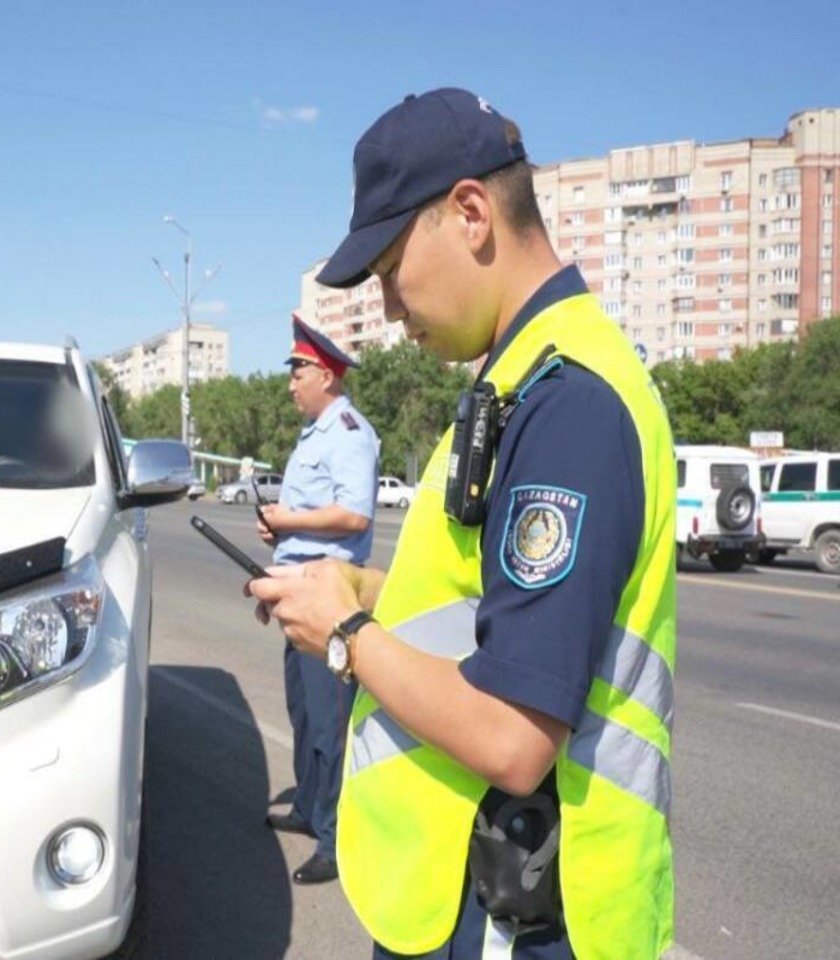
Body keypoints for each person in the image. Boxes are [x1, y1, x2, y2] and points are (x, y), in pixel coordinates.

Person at [248, 88, 677, 959]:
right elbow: (494, 601)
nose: (391, 311)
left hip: (525, 913)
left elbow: (515, 737)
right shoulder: (520, 379)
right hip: (477, 890)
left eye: (390, 271)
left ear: (471, 213)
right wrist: (362, 586)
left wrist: (346, 634)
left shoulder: (568, 408)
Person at [259, 315, 379, 886]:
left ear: (327, 374)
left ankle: (336, 839)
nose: (291, 382)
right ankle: (309, 809)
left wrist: (290, 520)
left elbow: (354, 515)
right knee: (304, 714)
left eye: (299, 369)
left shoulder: (351, 432)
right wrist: (281, 531)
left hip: (328, 596)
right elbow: (315, 518)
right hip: (296, 589)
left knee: (331, 724)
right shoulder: (314, 434)